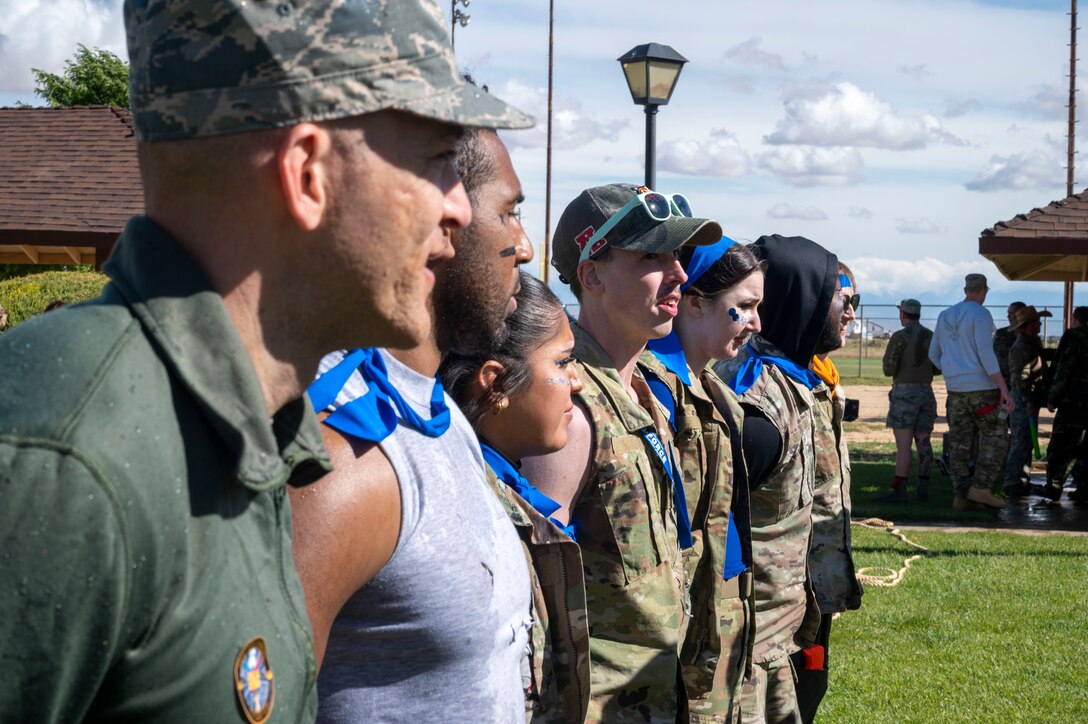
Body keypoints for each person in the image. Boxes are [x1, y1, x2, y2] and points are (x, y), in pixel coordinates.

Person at [0, 1, 533, 720]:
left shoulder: (255, 429)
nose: (460, 211)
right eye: (434, 159)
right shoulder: (66, 460)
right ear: (308, 173)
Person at [291, 124, 537, 722]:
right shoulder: (341, 450)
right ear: (437, 209)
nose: (526, 248)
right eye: (508, 213)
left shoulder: (431, 405)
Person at [520, 183, 721, 721]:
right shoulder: (571, 406)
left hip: (658, 690)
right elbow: (536, 591)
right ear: (592, 275)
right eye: (652, 257)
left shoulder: (650, 388)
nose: (679, 273)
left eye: (677, 255)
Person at [441, 272, 590, 723]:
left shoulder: (506, 494)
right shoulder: (469, 512)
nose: (577, 382)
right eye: (562, 364)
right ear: (497, 385)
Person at [714, 234, 841, 724]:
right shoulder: (761, 409)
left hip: (793, 619)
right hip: (754, 638)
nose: (848, 311)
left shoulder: (802, 384)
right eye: (839, 297)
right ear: (804, 300)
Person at [640, 237, 763, 721]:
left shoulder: (709, 385)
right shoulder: (654, 393)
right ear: (694, 303)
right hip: (686, 630)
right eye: (745, 307)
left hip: (722, 611)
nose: (756, 323)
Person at [792, 262, 864, 723]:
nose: (851, 314)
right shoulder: (765, 382)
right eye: (844, 300)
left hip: (819, 578)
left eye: (855, 301)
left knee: (813, 680)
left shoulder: (822, 373)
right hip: (784, 587)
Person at [928, 273, 1013, 511]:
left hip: (955, 390)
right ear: (984, 290)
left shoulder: (945, 315)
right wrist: (1003, 388)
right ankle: (981, 488)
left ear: (966, 289)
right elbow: (985, 352)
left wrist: (953, 371)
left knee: (959, 442)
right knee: (996, 436)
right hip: (982, 389)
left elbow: (933, 354)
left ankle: (961, 496)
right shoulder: (981, 314)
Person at [880, 298, 938, 502]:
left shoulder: (900, 336)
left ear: (903, 314)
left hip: (905, 393)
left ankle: (900, 489)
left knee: (903, 445)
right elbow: (939, 365)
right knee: (924, 442)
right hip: (926, 392)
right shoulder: (931, 336)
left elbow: (888, 368)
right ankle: (923, 489)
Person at [1003, 305, 1052, 496]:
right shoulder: (1021, 347)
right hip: (1023, 399)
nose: (1040, 323)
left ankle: (1022, 480)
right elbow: (1019, 378)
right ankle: (1013, 482)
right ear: (1027, 325)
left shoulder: (1032, 343)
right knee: (1021, 440)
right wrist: (1028, 399)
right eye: (1037, 321)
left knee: (1027, 441)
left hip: (1029, 398)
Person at [1042, 306, 1088, 503]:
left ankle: (1054, 488)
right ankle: (1084, 491)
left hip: (1074, 403)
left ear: (1075, 318)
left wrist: (1052, 397)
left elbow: (1063, 369)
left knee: (1061, 447)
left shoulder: (1074, 337)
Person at [994, 301, 1027, 391]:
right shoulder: (1001, 334)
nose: (1008, 316)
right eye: (1008, 313)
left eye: (1011, 313)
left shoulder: (1029, 336)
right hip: (1003, 383)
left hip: (1022, 386)